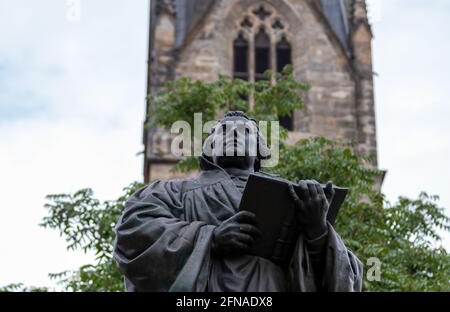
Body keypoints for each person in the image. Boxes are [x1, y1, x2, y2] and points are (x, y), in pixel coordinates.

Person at [113, 111, 363, 292]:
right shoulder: (173, 192)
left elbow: (348, 277)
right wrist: (209, 238)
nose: (233, 135)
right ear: (209, 148)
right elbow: (132, 231)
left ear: (260, 150)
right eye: (223, 131)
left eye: (245, 132)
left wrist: (317, 231)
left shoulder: (296, 198)